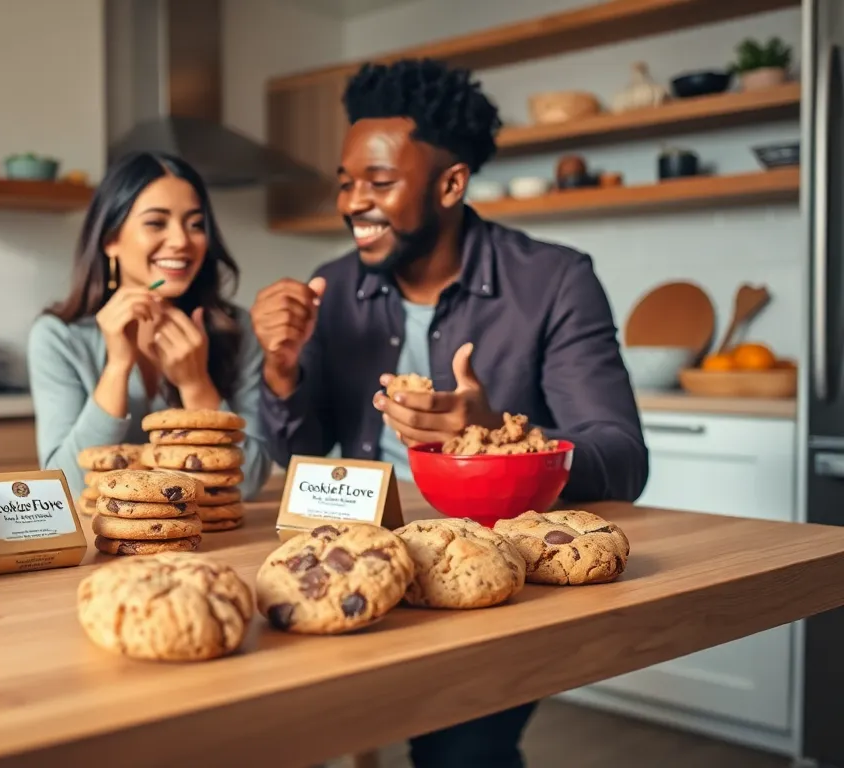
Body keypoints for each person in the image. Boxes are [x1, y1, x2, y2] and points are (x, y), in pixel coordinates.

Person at [250, 58, 649, 767]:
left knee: (461, 752)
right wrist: (280, 370)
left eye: (379, 182)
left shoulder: (555, 281)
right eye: (346, 183)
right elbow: (298, 447)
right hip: (354, 554)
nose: (353, 203)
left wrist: (495, 435)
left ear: (451, 183)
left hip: (485, 569)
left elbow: (622, 456)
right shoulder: (333, 287)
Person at [28, 150, 273, 500]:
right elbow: (61, 490)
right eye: (156, 222)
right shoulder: (58, 337)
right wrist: (117, 368)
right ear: (110, 239)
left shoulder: (236, 329)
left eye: (195, 224)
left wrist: (195, 383)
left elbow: (247, 483)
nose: (181, 241)